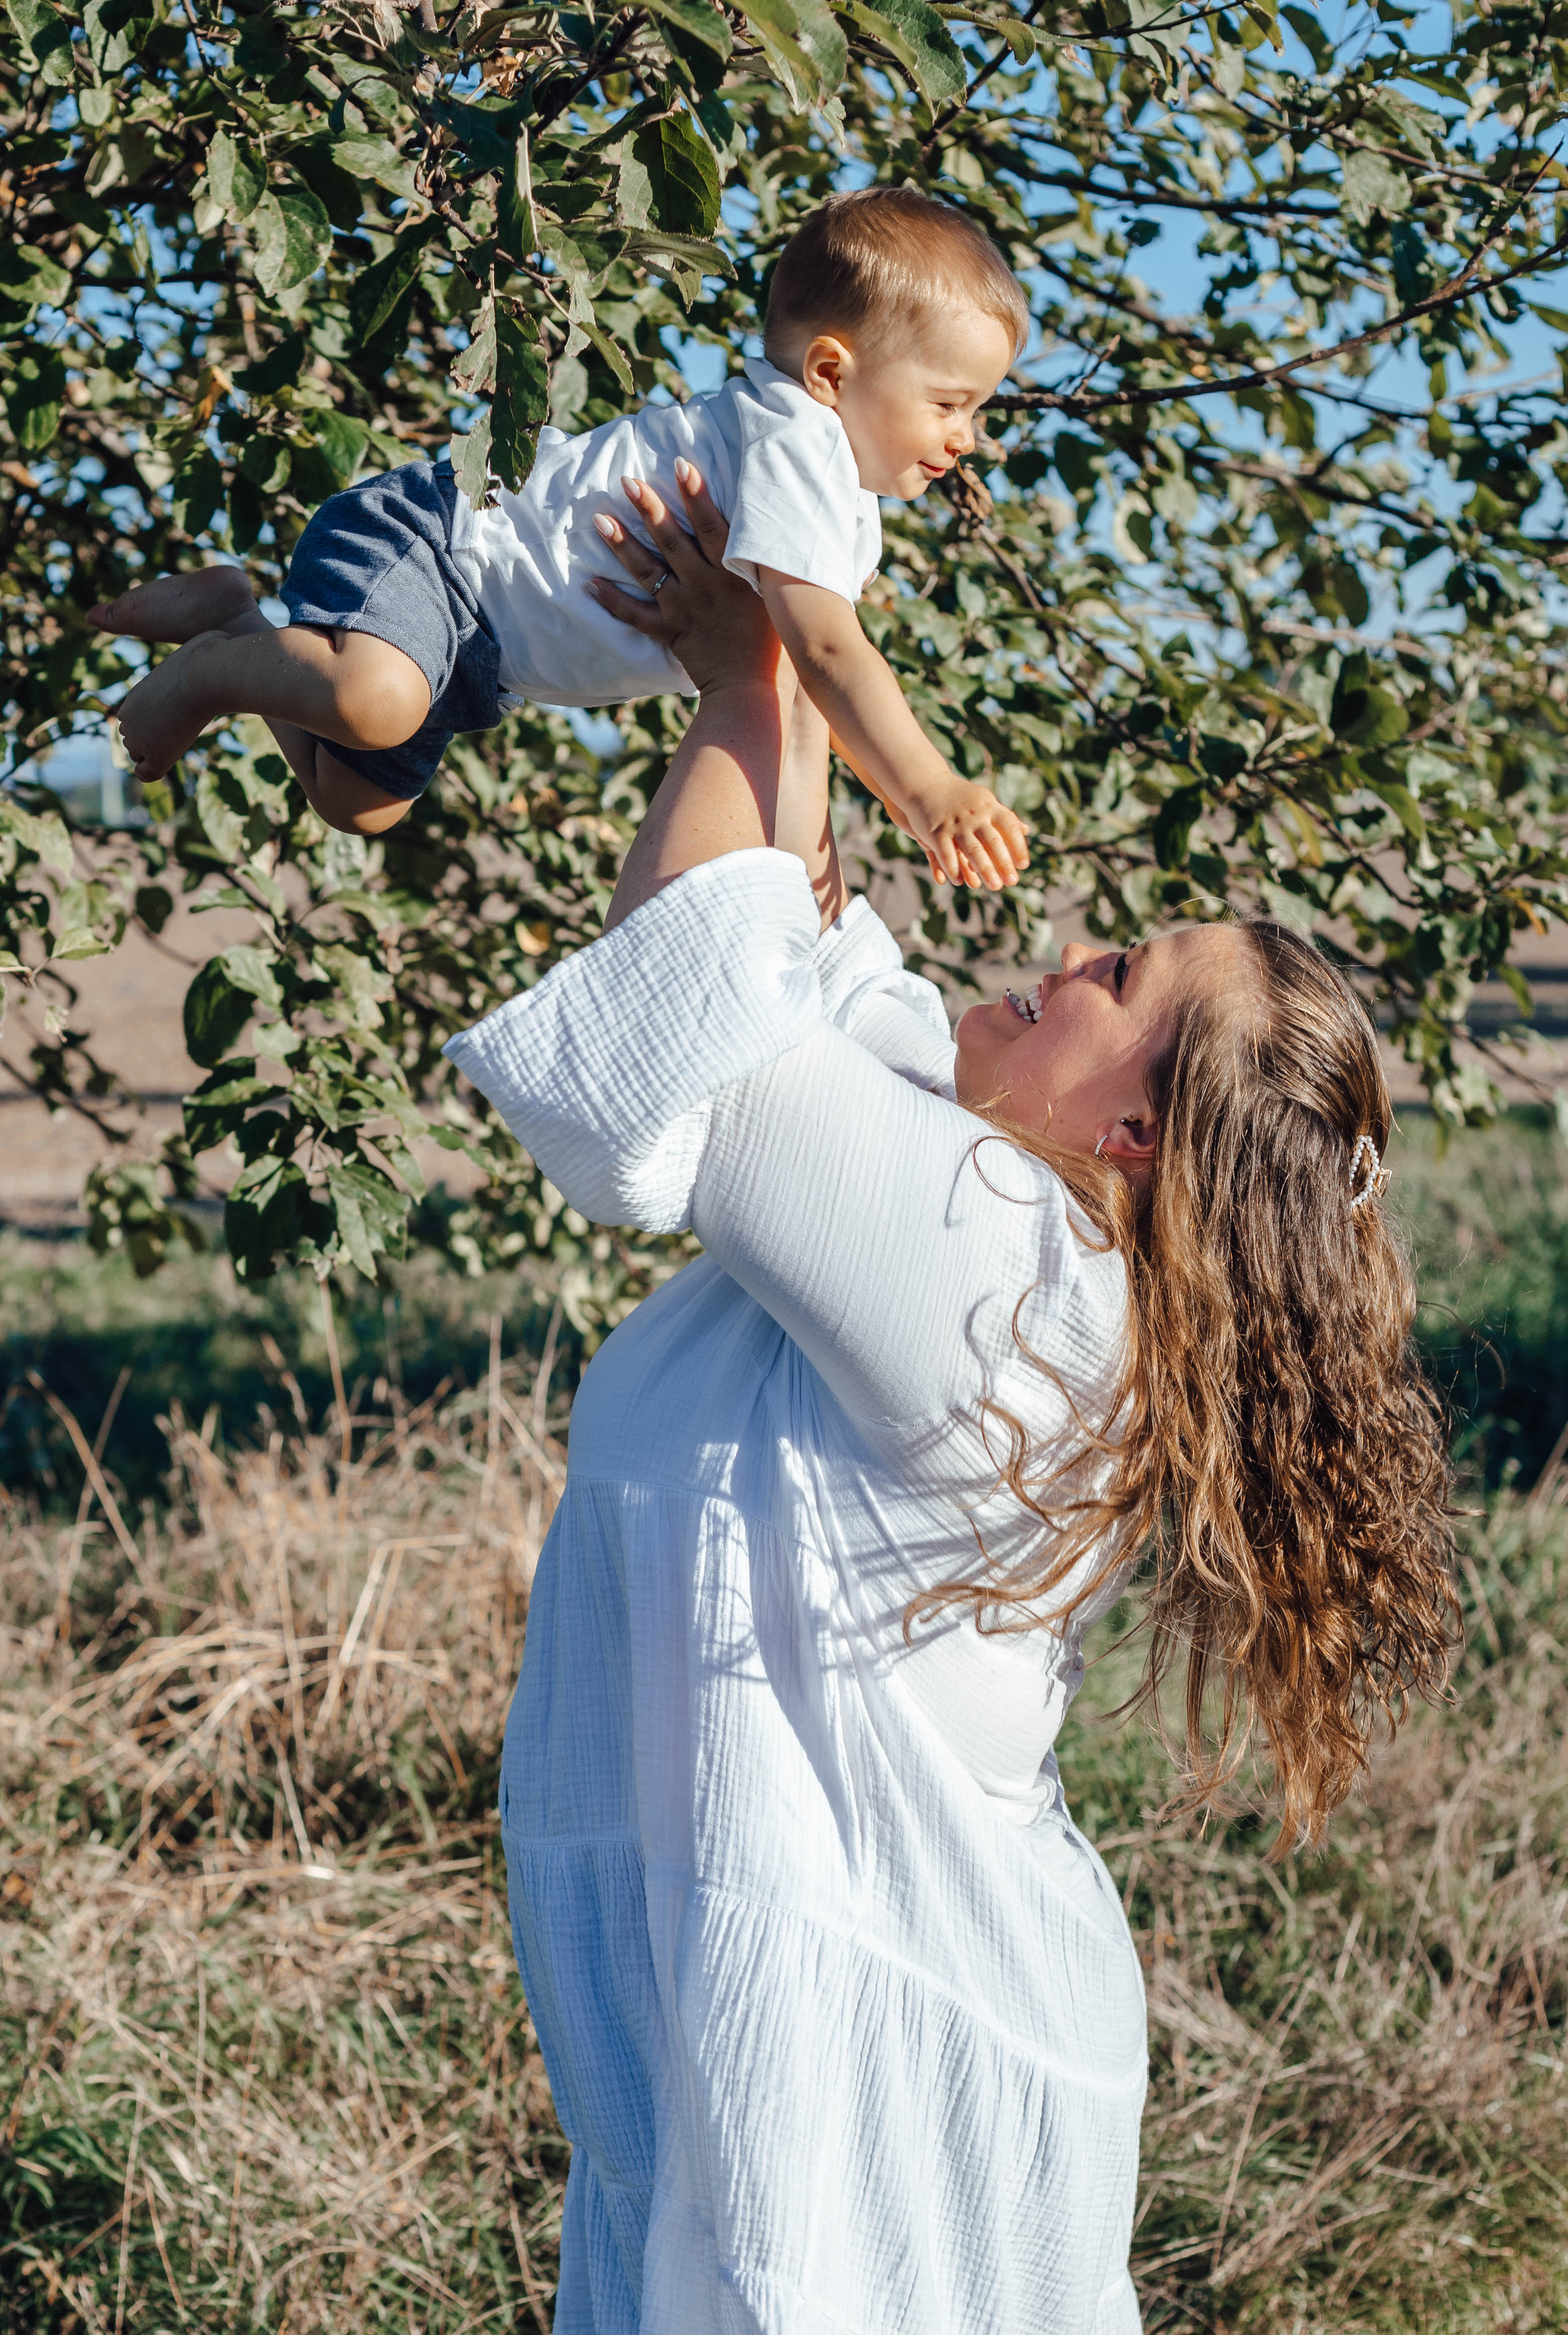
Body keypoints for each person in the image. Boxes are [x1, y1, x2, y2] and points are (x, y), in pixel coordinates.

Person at [443, 474, 1458, 2333]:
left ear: (1137, 1131)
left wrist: (754, 683)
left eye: (1119, 980)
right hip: (836, 2013)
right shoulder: (1007, 1229)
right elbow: (747, 979)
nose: (1068, 953)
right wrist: (771, 660)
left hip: (871, 2043)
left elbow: (664, 1070)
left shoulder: (1004, 1278)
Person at [87, 188, 1030, 891]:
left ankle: (239, 617)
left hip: (483, 651)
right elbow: (828, 653)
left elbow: (801, 695)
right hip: (447, 546)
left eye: (978, 410)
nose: (967, 436)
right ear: (831, 370)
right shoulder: (799, 437)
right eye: (951, 404)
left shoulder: (838, 508)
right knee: (373, 702)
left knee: (356, 802)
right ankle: (210, 671)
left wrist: (803, 863)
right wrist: (930, 790)